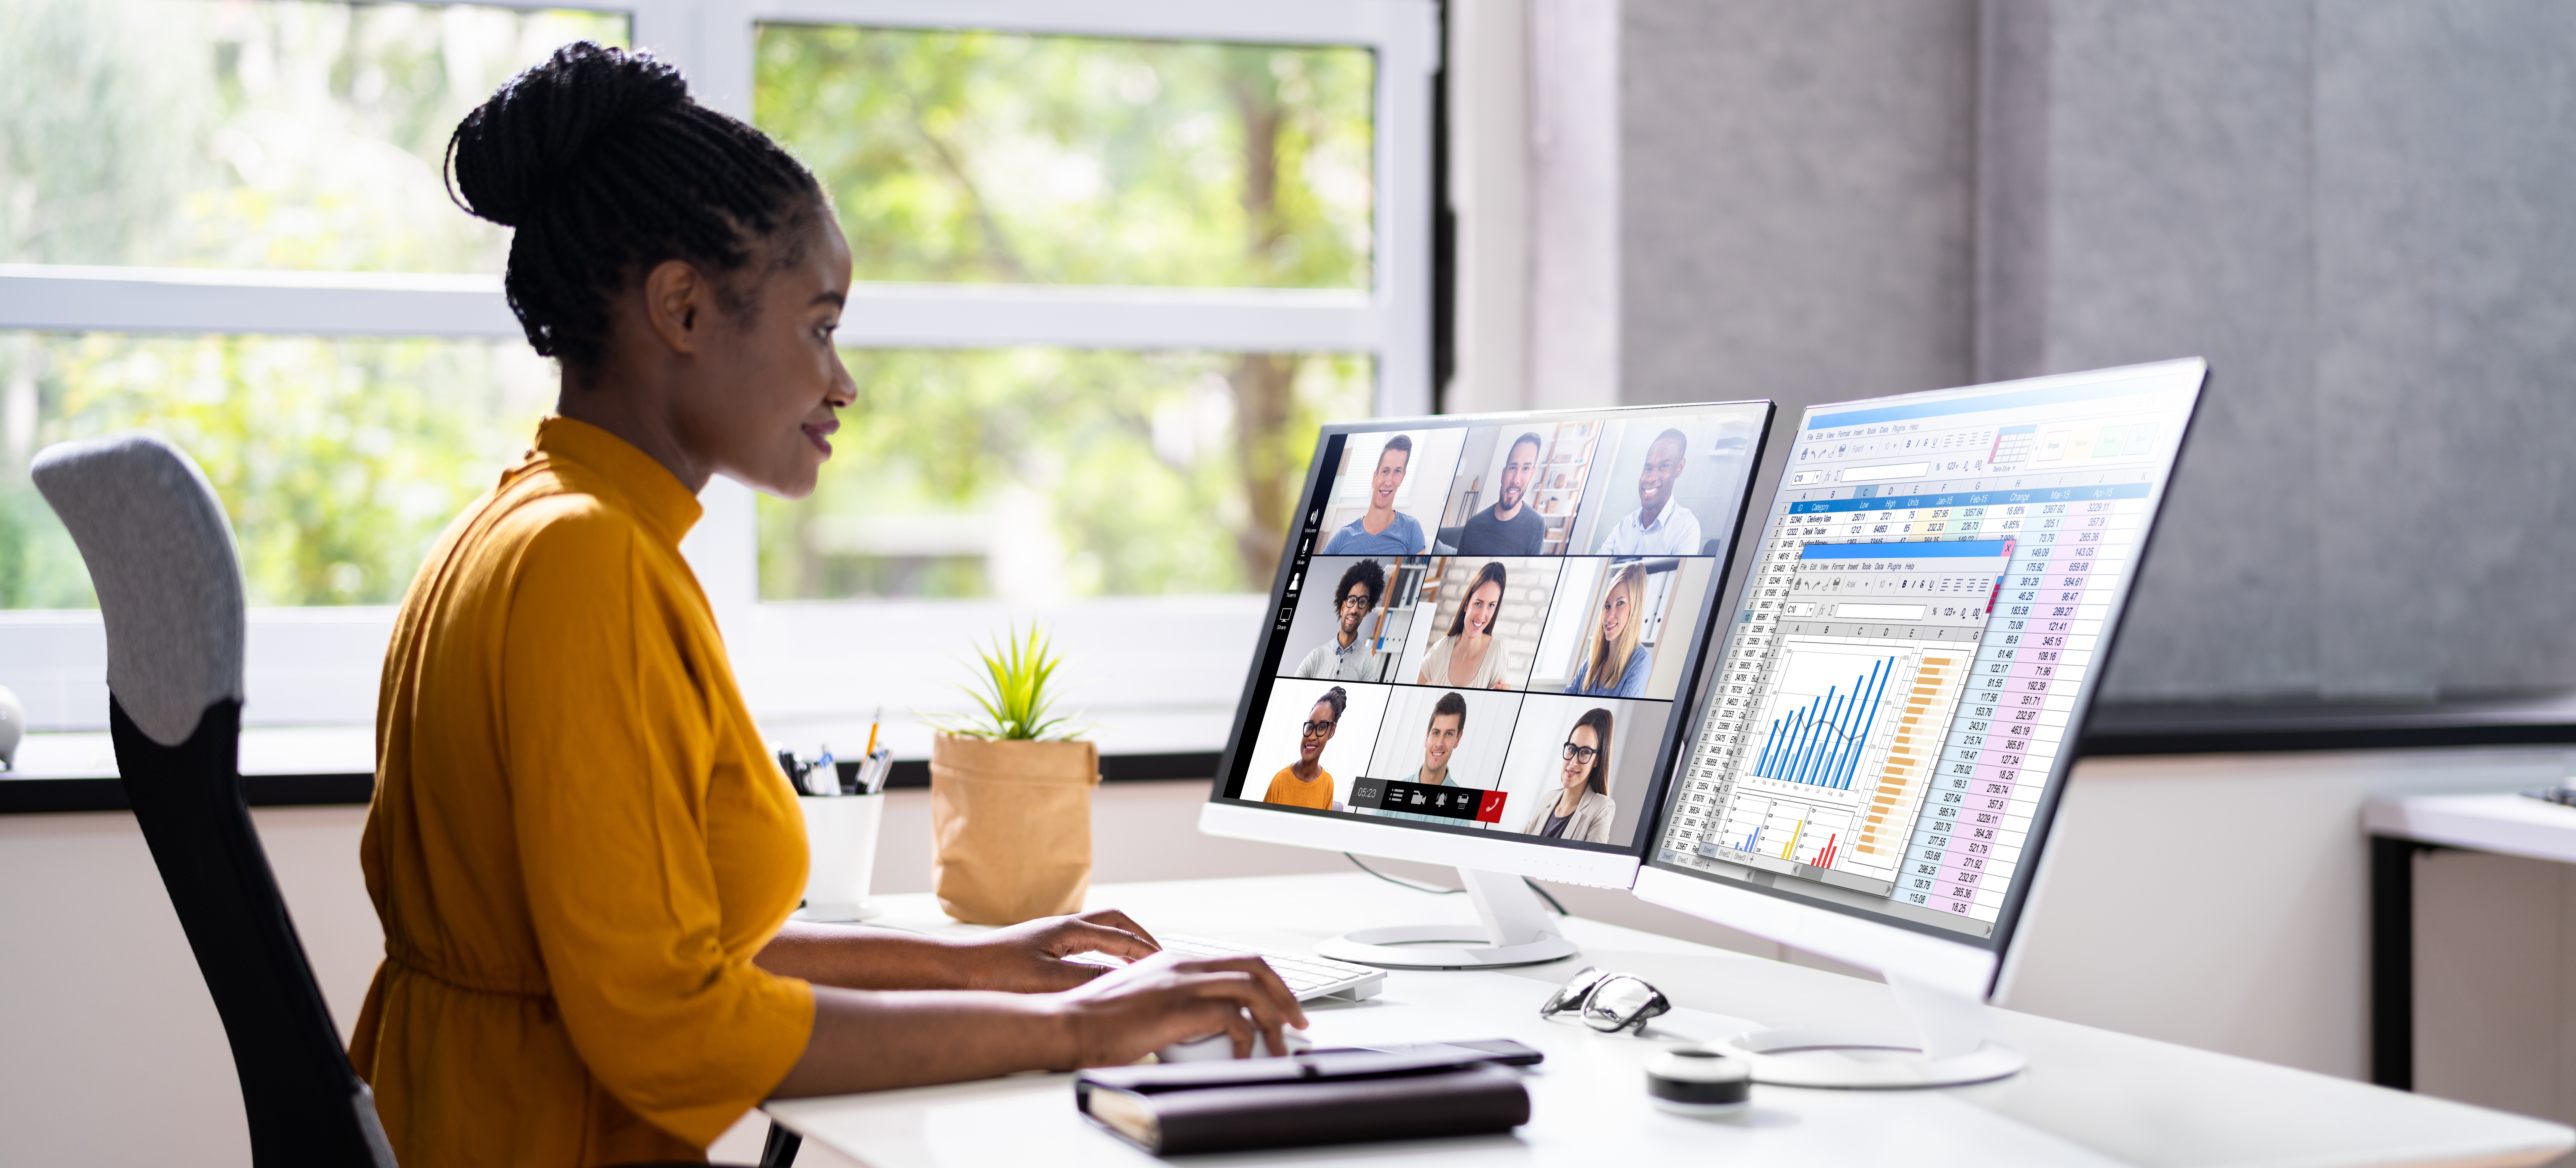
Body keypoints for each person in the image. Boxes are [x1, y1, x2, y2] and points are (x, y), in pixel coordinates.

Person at [355, 45, 1303, 1167]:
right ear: (684, 306)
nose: (841, 381)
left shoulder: (524, 523)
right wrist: (1079, 1026)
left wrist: (984, 961)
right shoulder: (587, 561)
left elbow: (672, 952)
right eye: (819, 325)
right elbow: (665, 1020)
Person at [1596, 428, 1703, 555]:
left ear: (1679, 468)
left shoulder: (1687, 529)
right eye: (1648, 468)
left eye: (1663, 467)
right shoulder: (1624, 526)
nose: (1651, 478)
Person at [1520, 707, 1619, 843]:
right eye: (1572, 749)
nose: (1573, 763)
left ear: (1598, 760)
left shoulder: (1602, 808)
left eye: (1585, 752)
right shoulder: (1548, 799)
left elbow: (1590, 862)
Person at [1375, 692, 1473, 824]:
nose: (1439, 743)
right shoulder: (1390, 796)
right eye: (1436, 733)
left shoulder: (1460, 812)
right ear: (1427, 738)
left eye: (1449, 734)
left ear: (1458, 740)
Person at [1416, 561, 1514, 689]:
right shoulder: (1442, 648)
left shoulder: (1498, 652)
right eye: (1478, 604)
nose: (1481, 616)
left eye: (1491, 606)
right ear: (1467, 604)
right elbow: (1408, 684)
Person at [1322, 435, 1428, 554]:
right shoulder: (1343, 536)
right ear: (1374, 479)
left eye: (1397, 472)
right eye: (1385, 471)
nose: (1389, 482)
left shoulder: (1411, 529)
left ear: (1402, 478)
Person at [1565, 561, 1653, 698]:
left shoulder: (1640, 661)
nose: (1609, 616)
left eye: (1621, 603)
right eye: (1607, 606)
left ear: (1635, 609)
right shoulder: (1593, 660)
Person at [1455, 431, 1547, 555]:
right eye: (1513, 468)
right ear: (1503, 475)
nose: (1516, 480)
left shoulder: (1537, 525)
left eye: (1526, 469)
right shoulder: (1473, 525)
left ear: (1532, 475)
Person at [1291, 559, 1385, 680]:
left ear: (1366, 610)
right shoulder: (1317, 656)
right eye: (1352, 601)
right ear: (1342, 608)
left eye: (1362, 602)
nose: (1355, 609)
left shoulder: (1366, 659)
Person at [1262, 687, 1346, 809]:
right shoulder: (1280, 781)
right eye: (1310, 727)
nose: (1312, 737)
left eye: (1322, 728)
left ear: (1332, 731)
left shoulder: (1328, 784)